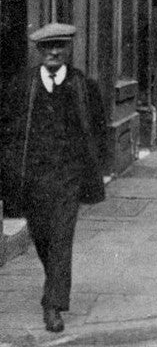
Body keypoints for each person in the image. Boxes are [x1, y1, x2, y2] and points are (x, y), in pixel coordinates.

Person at [0, 24, 108, 333]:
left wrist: (90, 167)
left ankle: (53, 305)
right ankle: (54, 285)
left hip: (68, 178)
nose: (54, 52)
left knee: (61, 238)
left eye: (60, 46)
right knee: (43, 238)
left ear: (69, 49)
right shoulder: (23, 85)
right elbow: (7, 129)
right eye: (47, 47)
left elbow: (98, 129)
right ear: (38, 51)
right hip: (32, 178)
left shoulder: (83, 85)